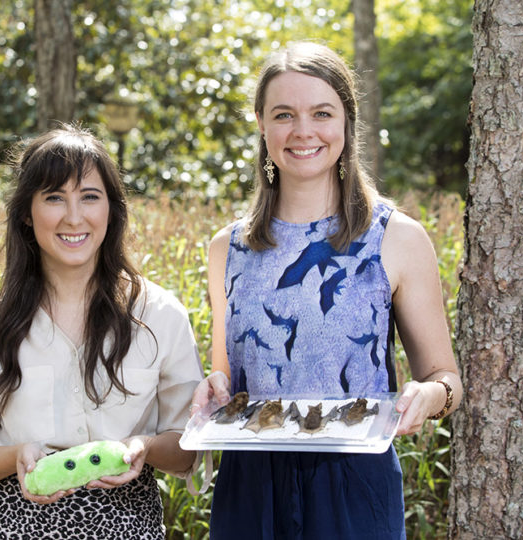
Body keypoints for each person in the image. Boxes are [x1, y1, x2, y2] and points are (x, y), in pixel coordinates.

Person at [190, 41, 462, 539]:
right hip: (249, 486)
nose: (303, 131)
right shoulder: (225, 249)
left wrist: (431, 394)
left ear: (346, 122)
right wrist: (214, 387)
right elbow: (226, 378)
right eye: (284, 114)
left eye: (321, 113)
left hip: (355, 484)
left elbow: (446, 378)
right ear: (261, 124)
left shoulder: (396, 237)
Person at [0, 124, 204, 539]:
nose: (74, 217)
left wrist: (143, 448)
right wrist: (16, 456)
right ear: (27, 212)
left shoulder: (159, 315)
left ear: (111, 209)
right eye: (54, 197)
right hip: (12, 527)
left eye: (89, 197)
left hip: (128, 526)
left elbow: (188, 449)